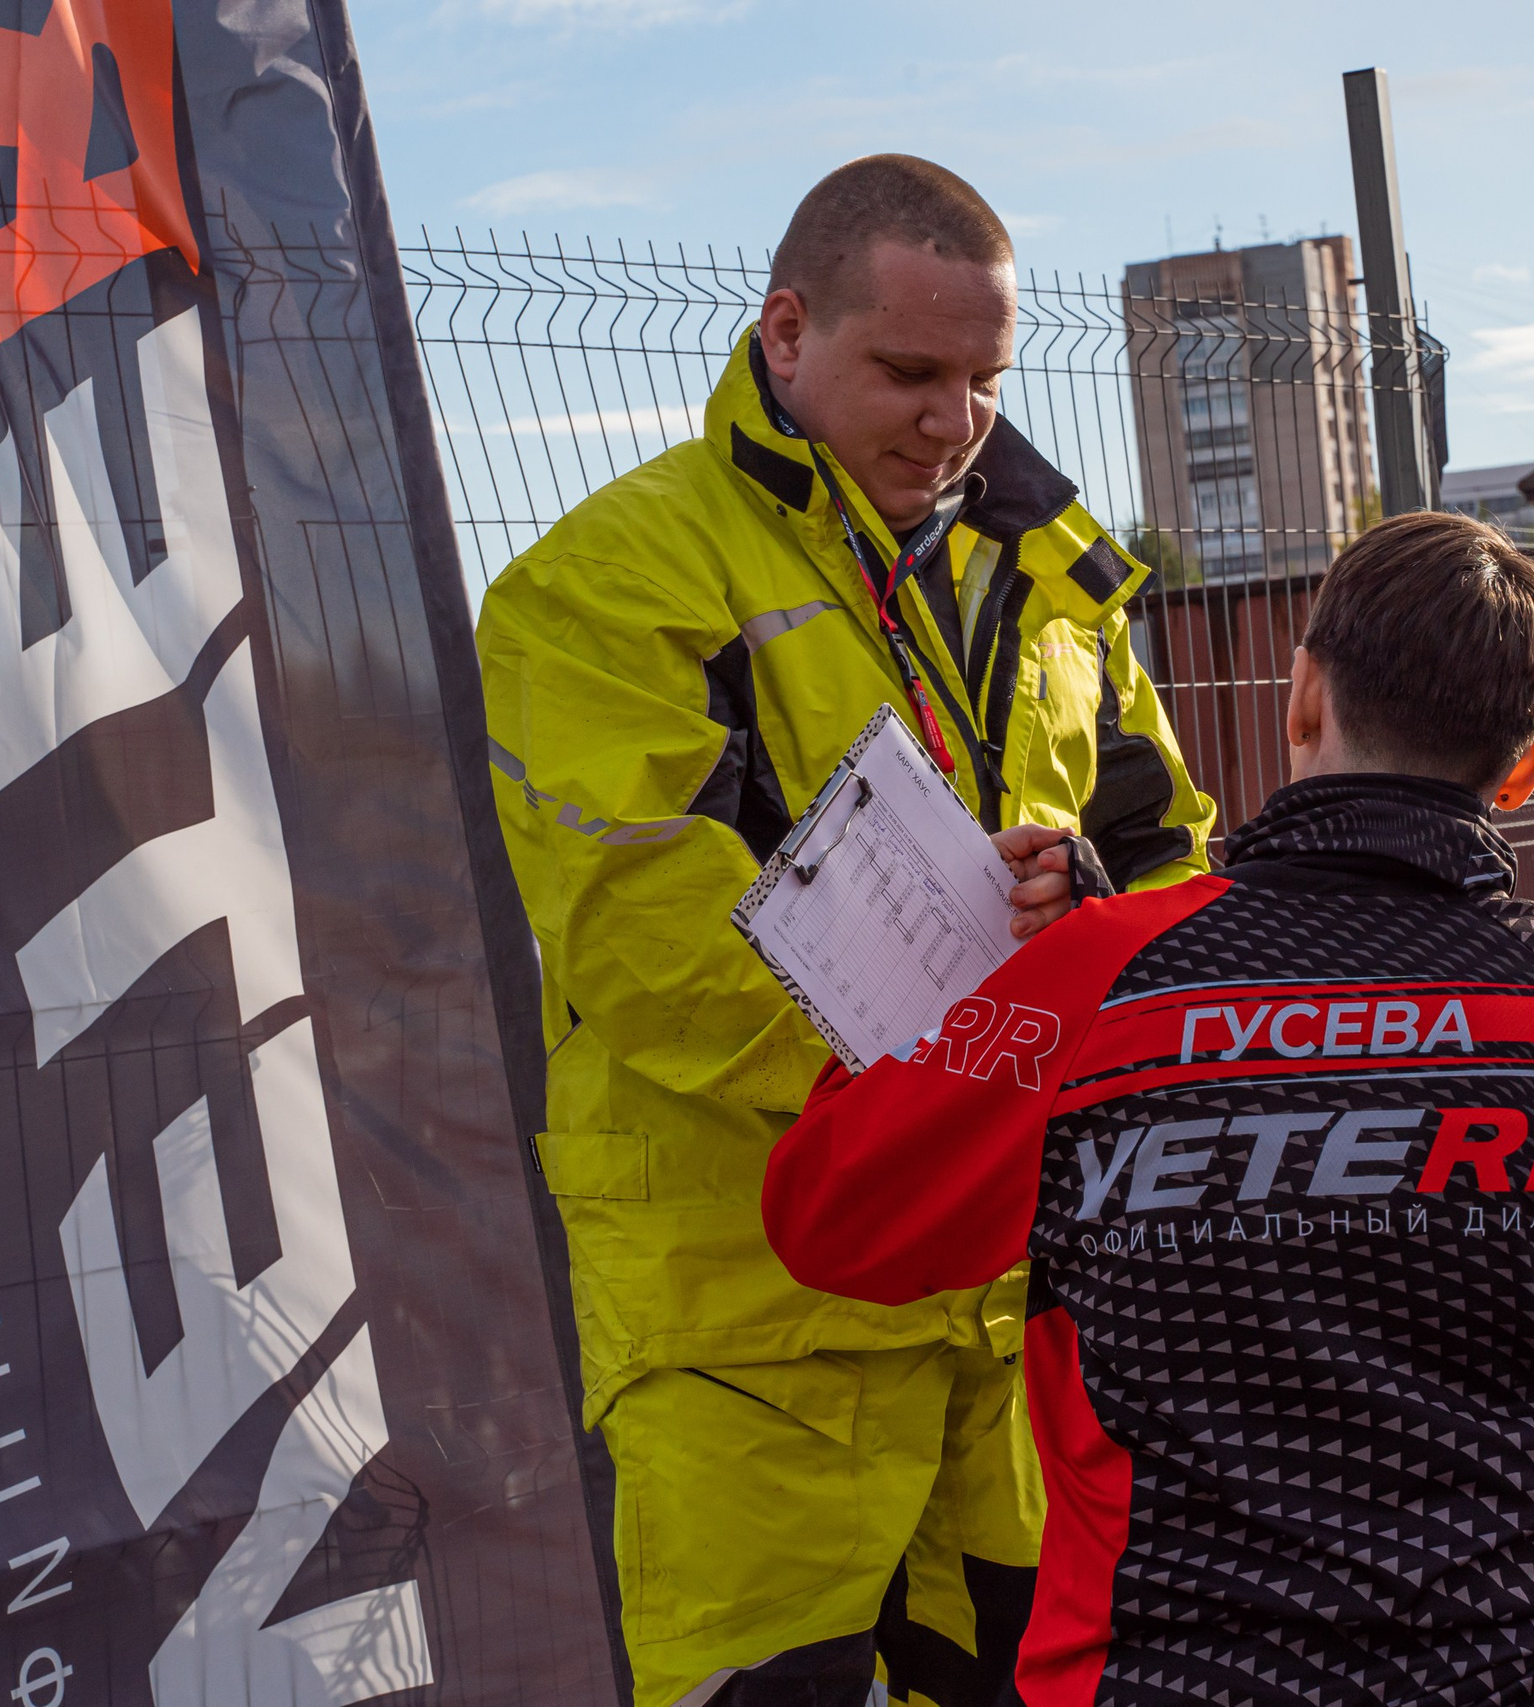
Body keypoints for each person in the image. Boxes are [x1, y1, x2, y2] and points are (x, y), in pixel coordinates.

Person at [475, 155, 1216, 1707]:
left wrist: (1079, 911)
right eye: (909, 371)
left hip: (1013, 1296)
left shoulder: (1059, 583)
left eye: (984, 378)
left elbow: (1170, 865)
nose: (954, 420)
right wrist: (951, 1086)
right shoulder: (609, 582)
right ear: (787, 331)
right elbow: (640, 937)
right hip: (753, 1316)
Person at [764, 512, 1534, 1707]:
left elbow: (832, 1214)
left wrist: (975, 993)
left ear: (1302, 700)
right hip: (1526, 1664)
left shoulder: (1095, 979)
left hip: (1176, 1672)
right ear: (1529, 763)